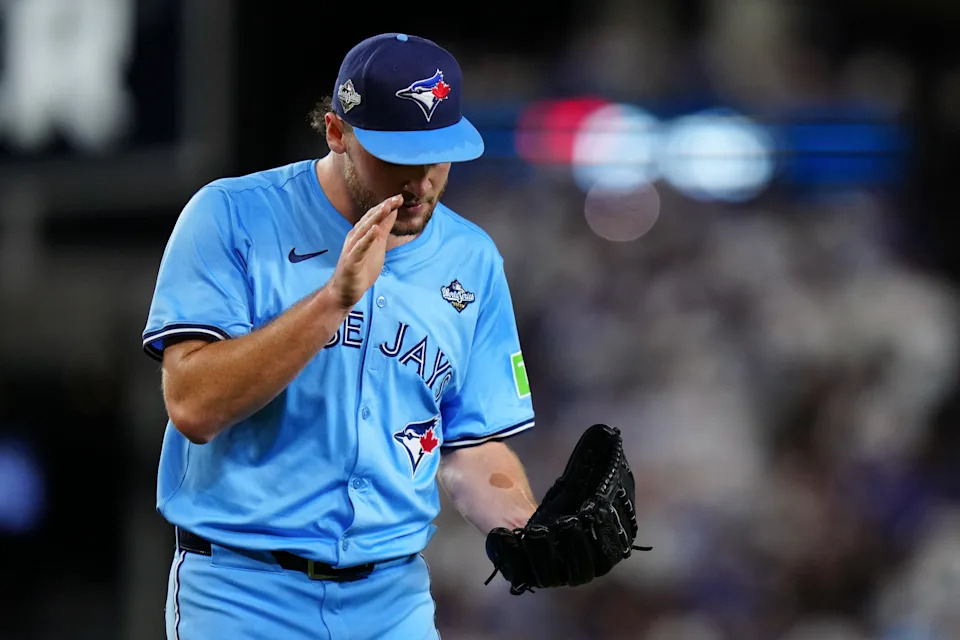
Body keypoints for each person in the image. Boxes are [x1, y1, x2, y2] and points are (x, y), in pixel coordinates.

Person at [142, 32, 538, 639]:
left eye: (438, 155)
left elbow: (469, 445)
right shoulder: (232, 216)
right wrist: (332, 301)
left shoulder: (471, 257)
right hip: (243, 594)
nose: (422, 180)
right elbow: (193, 404)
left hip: (392, 600)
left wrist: (529, 530)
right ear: (337, 133)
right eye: (398, 155)